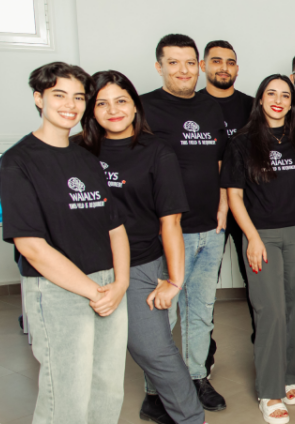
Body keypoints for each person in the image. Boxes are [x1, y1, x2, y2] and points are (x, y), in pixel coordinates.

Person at [0, 62, 130, 424]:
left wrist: (120, 283)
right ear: (38, 98)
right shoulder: (17, 162)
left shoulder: (86, 158)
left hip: (108, 285)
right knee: (67, 397)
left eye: (78, 97)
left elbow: (115, 227)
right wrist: (93, 291)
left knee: (108, 389)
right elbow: (31, 246)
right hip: (58, 290)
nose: (70, 105)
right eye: (59, 95)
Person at [75, 70, 204, 424]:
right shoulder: (76, 150)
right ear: (90, 109)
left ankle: (192, 419)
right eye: (101, 103)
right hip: (83, 267)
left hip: (140, 264)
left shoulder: (157, 152)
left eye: (121, 101)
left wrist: (174, 281)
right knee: (86, 356)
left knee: (154, 351)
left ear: (135, 106)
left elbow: (171, 222)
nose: (112, 110)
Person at [221, 74, 295, 424]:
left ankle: (291, 376)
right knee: (271, 312)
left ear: (292, 103)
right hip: (261, 234)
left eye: (285, 95)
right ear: (261, 99)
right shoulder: (241, 143)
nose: (278, 100)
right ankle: (269, 390)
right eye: (271, 94)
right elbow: (234, 196)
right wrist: (251, 237)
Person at [140, 33, 229, 411]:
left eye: (190, 62)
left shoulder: (210, 107)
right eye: (173, 62)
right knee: (163, 316)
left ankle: (197, 376)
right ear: (159, 66)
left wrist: (223, 207)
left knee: (201, 311)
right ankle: (155, 393)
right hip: (168, 232)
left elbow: (221, 162)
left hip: (210, 228)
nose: (183, 70)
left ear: (200, 66)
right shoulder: (144, 108)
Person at [197, 40, 256, 355]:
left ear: (237, 68)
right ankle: (202, 357)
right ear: (203, 66)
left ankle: (263, 346)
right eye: (216, 61)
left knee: (256, 279)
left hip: (248, 204)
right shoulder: (192, 105)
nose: (224, 67)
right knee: (202, 285)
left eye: (230, 62)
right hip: (206, 207)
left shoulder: (252, 106)